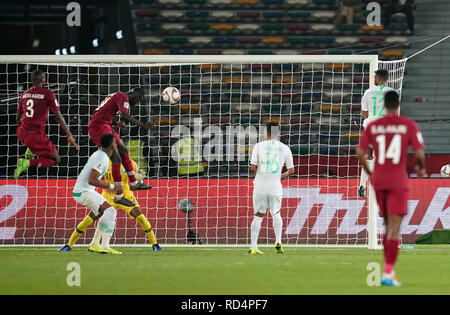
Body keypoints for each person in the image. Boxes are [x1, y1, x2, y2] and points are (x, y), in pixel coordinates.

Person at [357, 90, 425, 286]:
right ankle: (388, 273)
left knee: (387, 227)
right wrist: (420, 168)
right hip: (397, 180)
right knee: (394, 230)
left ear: (384, 104)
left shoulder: (373, 126)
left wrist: (371, 176)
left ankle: (388, 273)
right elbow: (419, 153)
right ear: (399, 103)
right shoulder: (408, 125)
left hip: (379, 180)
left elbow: (361, 153)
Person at [88, 87, 153, 207]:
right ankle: (119, 196)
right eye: (138, 101)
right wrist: (143, 125)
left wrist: (114, 123)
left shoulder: (116, 95)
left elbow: (100, 112)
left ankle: (134, 183)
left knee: (123, 149)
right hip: (98, 127)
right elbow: (124, 114)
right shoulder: (123, 97)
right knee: (116, 158)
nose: (136, 103)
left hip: (105, 125)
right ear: (135, 96)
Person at [59, 133, 121, 252]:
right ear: (113, 146)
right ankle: (101, 245)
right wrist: (112, 186)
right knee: (110, 211)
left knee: (99, 214)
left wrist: (109, 189)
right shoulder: (102, 158)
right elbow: (92, 180)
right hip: (83, 192)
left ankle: (77, 244)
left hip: (85, 190)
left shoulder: (100, 154)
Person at [88, 158, 162, 254]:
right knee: (94, 217)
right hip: (108, 194)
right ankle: (72, 244)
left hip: (125, 194)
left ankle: (154, 244)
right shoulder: (104, 162)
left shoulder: (131, 163)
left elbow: (132, 182)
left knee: (140, 216)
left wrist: (138, 181)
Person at [14, 69, 79, 179]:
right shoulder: (48, 94)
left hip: (21, 132)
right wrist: (69, 134)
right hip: (35, 135)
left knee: (39, 146)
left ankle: (30, 149)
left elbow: (17, 118)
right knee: (55, 159)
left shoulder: (24, 94)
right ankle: (26, 163)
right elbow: (58, 117)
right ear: (43, 79)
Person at [249, 123, 295, 255]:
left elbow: (253, 167)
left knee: (258, 216)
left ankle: (254, 247)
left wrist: (260, 177)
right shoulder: (285, 148)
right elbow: (291, 170)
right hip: (275, 186)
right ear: (278, 133)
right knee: (276, 213)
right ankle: (278, 241)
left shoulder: (258, 146)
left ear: (266, 133)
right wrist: (282, 176)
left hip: (260, 186)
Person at [358, 69, 395, 198]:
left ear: (378, 79)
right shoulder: (392, 92)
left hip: (369, 125)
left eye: (374, 77)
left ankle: (362, 185)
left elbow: (364, 113)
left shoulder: (368, 92)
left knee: (369, 155)